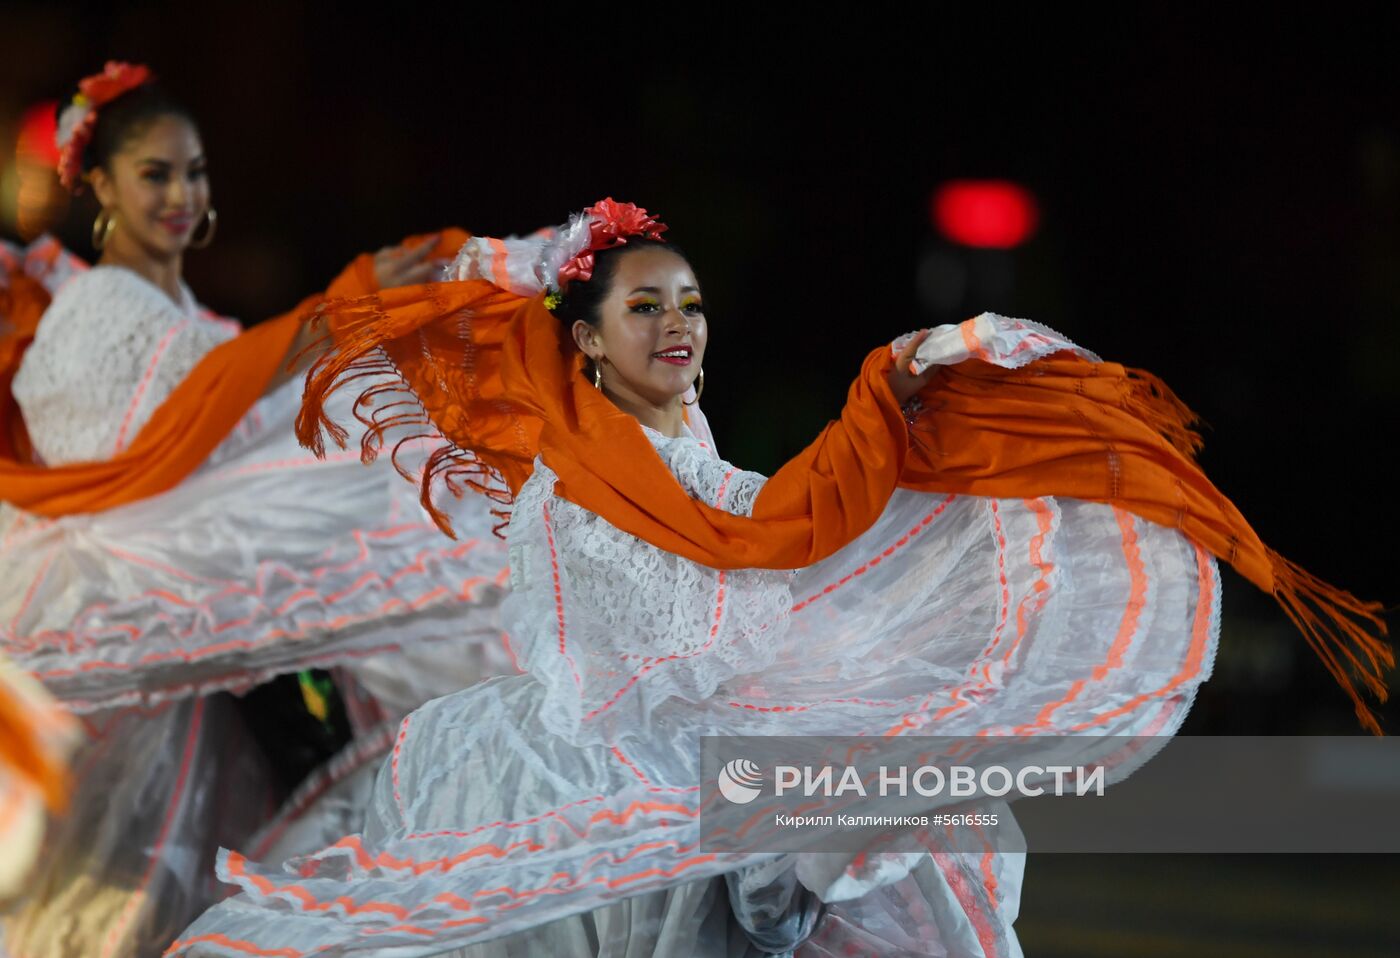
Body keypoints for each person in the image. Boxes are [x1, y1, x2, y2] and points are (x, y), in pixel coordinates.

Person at [169, 200, 1388, 957]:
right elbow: (707, 609)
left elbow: (777, 530)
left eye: (689, 304)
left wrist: (915, 406)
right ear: (585, 342)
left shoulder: (690, 457)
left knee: (884, 828)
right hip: (583, 769)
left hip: (690, 764)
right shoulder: (572, 485)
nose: (677, 327)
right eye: (645, 307)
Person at [0, 63, 517, 957]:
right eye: (155, 173)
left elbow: (230, 404)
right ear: (100, 186)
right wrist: (346, 313)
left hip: (193, 692)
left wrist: (355, 316)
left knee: (176, 883)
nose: (179, 193)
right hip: (124, 604)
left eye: (193, 172)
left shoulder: (187, 307)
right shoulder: (95, 306)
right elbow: (153, 446)